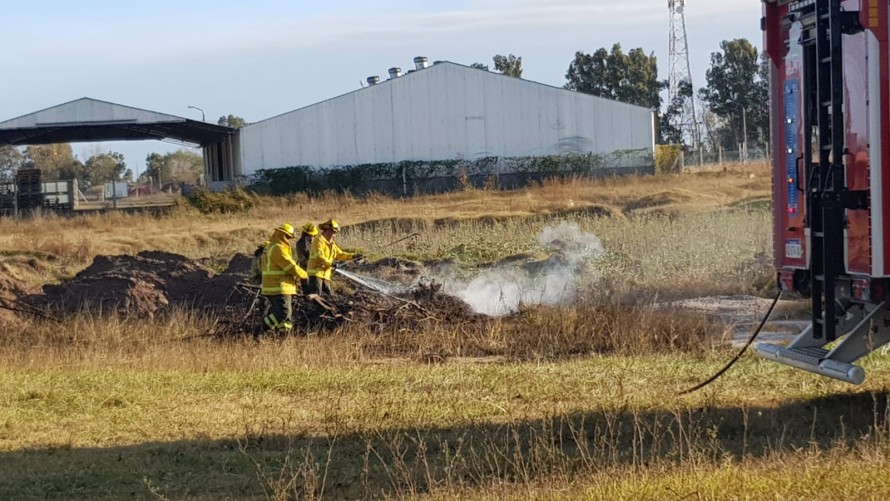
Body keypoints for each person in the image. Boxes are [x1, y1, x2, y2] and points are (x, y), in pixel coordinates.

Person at [261, 223, 308, 335]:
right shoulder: (278, 248)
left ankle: (279, 334)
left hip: (275, 286)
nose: (288, 239)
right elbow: (289, 266)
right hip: (279, 286)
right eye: (287, 236)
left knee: (282, 314)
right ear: (281, 235)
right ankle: (264, 330)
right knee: (283, 313)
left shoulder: (271, 247)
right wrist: (304, 275)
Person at [306, 219, 362, 296]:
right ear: (328, 230)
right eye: (333, 232)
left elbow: (339, 254)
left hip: (325, 275)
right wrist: (331, 263)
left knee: (328, 297)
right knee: (316, 297)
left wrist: (353, 256)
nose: (334, 235)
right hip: (315, 274)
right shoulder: (318, 240)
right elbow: (319, 256)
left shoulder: (331, 244)